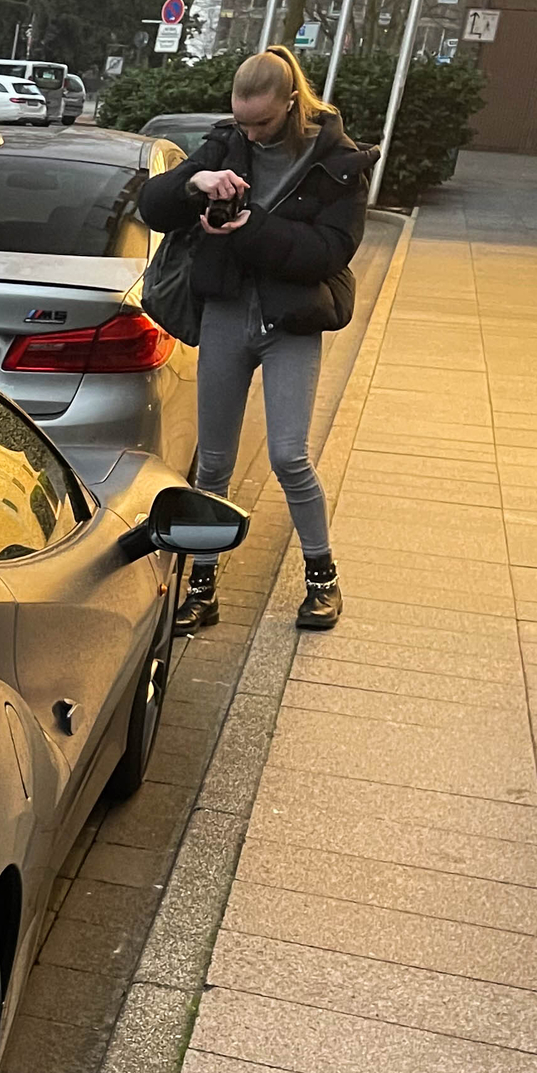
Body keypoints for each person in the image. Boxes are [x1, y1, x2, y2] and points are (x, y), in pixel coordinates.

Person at [138, 45, 377, 633]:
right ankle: (203, 588)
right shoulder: (227, 142)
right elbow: (152, 205)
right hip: (225, 312)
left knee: (289, 456)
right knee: (212, 465)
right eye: (241, 120)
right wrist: (195, 181)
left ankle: (323, 580)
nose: (249, 132)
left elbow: (330, 252)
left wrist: (253, 229)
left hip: (290, 321)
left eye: (261, 122)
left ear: (292, 104)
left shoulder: (338, 164)